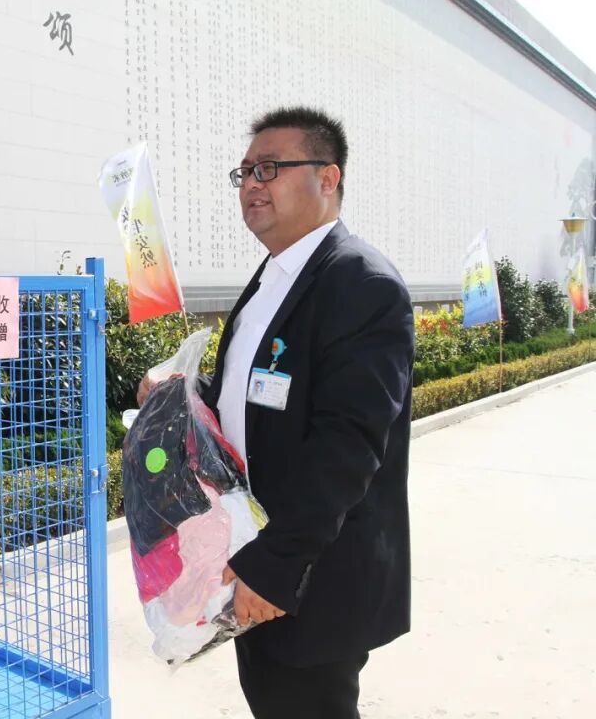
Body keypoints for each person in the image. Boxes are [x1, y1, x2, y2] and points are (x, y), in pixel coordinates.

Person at [137, 107, 414, 718]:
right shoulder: (273, 278)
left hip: (310, 571)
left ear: (328, 178)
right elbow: (255, 393)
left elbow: (348, 447)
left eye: (270, 168)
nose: (252, 184)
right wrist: (182, 389)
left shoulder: (362, 284)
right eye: (244, 172)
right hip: (253, 551)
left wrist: (273, 566)